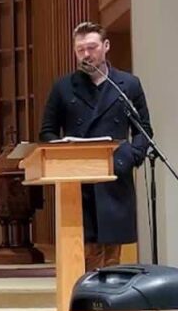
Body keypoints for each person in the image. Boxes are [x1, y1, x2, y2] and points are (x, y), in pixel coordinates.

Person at [39, 22, 153, 272]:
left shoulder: (127, 85)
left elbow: (144, 131)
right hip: (79, 183)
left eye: (91, 47)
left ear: (106, 47)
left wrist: (130, 157)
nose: (86, 54)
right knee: (88, 257)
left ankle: (114, 308)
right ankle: (86, 308)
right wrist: (65, 155)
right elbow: (47, 131)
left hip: (115, 176)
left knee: (114, 260)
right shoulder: (63, 87)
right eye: (80, 50)